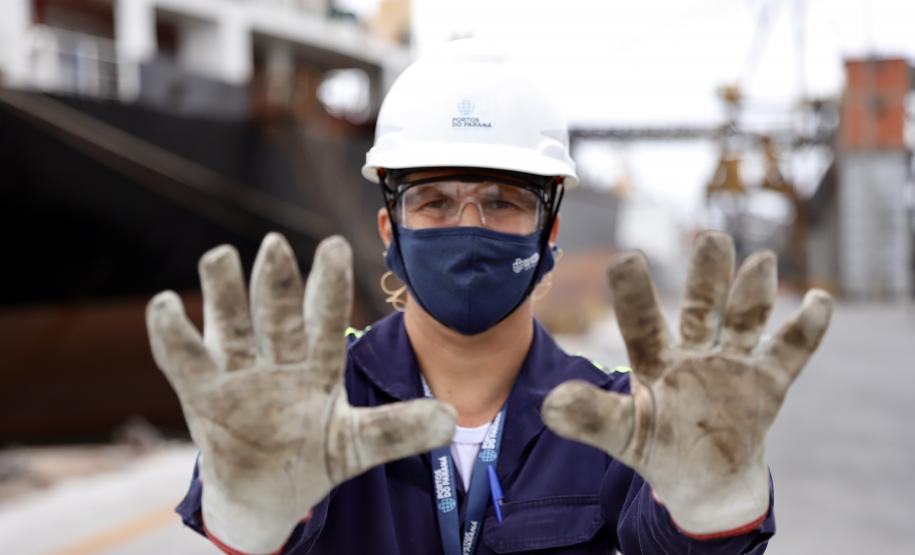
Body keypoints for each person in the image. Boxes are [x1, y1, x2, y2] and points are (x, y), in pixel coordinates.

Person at [145, 40, 833, 555]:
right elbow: (258, 521)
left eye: (503, 201)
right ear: (390, 227)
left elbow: (671, 542)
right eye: (434, 201)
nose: (467, 226)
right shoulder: (312, 393)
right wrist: (252, 512)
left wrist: (712, 499)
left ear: (549, 229)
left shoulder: (618, 415)